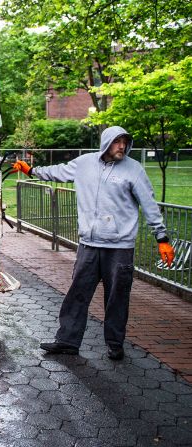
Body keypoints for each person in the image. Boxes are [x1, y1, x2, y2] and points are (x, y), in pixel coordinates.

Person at [12, 125, 175, 361]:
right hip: (89, 244)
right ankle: (67, 341)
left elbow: (149, 205)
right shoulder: (85, 163)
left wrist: (162, 238)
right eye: (117, 141)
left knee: (117, 297)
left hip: (119, 248)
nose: (121, 146)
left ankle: (115, 344)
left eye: (124, 142)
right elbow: (58, 171)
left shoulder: (134, 170)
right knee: (77, 292)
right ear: (106, 142)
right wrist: (31, 170)